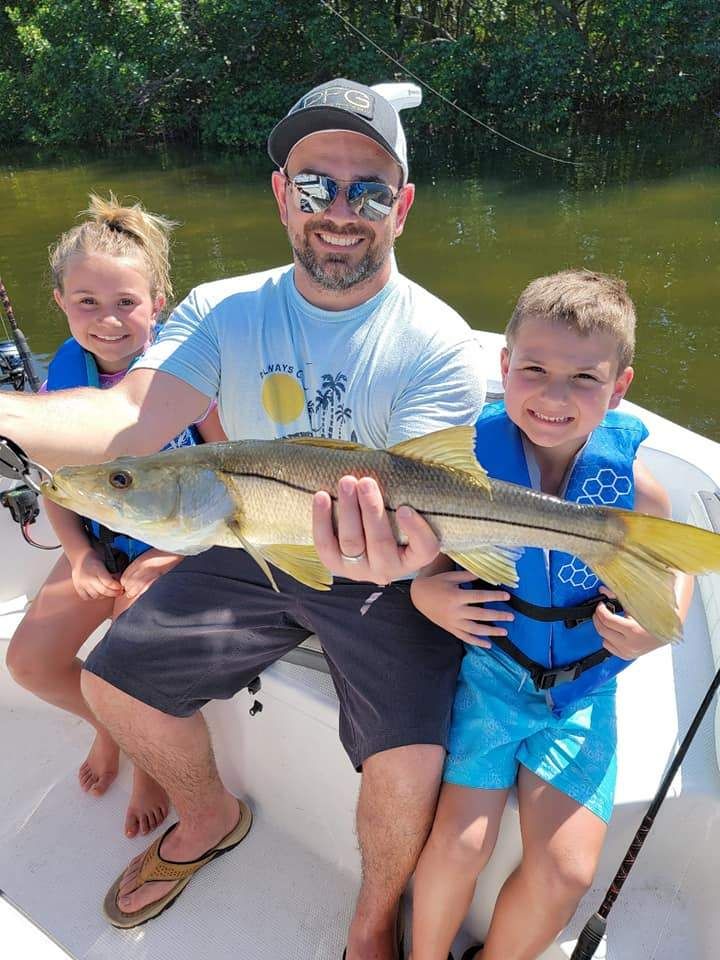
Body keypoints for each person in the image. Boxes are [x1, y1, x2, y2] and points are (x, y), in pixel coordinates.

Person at [0, 79, 485, 956]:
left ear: (402, 206)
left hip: (377, 574)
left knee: (409, 763)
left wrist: (401, 559)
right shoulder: (222, 309)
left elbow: (422, 525)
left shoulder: (437, 343)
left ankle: (372, 927)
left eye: (368, 189)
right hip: (248, 534)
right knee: (112, 681)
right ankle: (208, 813)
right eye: (313, 186)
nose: (339, 211)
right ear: (279, 195)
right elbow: (127, 425)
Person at [408, 269, 693, 960]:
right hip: (494, 672)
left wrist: (659, 629)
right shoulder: (462, 463)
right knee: (459, 842)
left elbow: (674, 562)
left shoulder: (632, 485)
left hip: (585, 692)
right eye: (533, 368)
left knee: (567, 869)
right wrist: (426, 595)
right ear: (503, 367)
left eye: (584, 379)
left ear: (619, 388)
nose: (554, 396)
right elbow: (424, 560)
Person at [5, 195, 226, 840]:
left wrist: (173, 555)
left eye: (126, 302)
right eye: (86, 302)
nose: (107, 320)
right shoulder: (65, 377)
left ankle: (148, 765)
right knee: (31, 663)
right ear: (59, 302)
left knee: (127, 659)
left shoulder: (187, 373)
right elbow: (58, 483)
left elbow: (233, 479)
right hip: (101, 540)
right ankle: (111, 729)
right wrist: (77, 555)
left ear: (159, 301)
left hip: (188, 544)